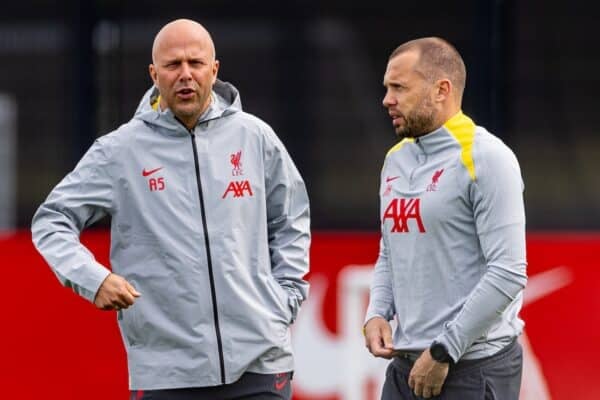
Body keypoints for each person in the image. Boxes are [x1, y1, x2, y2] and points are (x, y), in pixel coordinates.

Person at [31, 19, 310, 400]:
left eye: (195, 63)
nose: (185, 75)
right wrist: (93, 278)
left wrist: (285, 297)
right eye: (172, 65)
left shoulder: (255, 137)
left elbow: (291, 217)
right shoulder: (119, 150)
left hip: (260, 363)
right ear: (154, 74)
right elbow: (52, 220)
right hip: (167, 372)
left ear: (214, 69)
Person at [364, 37, 527, 400]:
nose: (387, 99)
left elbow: (509, 271)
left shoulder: (488, 158)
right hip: (407, 366)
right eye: (387, 87)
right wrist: (376, 312)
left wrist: (443, 350)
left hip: (471, 367)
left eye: (399, 87)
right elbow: (390, 250)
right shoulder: (396, 159)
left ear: (441, 90)